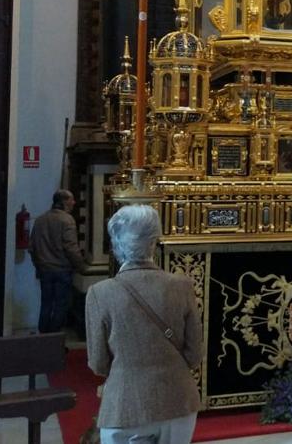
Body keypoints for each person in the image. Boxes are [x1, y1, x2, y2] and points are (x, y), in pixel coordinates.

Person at [86, 205, 201, 444]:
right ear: (153, 242)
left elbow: (98, 363)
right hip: (178, 401)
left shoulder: (100, 293)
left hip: (124, 406)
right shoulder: (182, 286)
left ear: (116, 245)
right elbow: (194, 354)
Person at [29, 189, 86, 334]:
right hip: (61, 270)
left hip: (44, 270)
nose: (74, 202)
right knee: (61, 305)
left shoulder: (40, 219)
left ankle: (43, 337)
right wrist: (81, 266)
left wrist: (38, 265)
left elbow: (32, 247)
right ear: (64, 202)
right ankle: (54, 338)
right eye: (71, 199)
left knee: (46, 303)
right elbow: (70, 247)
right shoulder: (67, 220)